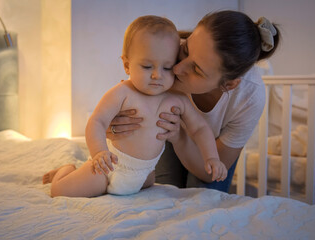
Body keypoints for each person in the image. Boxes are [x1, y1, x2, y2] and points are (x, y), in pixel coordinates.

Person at [42, 15, 227, 197]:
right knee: (59, 191)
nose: (157, 75)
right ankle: (66, 169)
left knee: (150, 183)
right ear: (127, 65)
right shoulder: (122, 93)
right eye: (147, 67)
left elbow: (200, 128)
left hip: (144, 174)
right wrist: (99, 153)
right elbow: (97, 121)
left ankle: (111, 177)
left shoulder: (177, 99)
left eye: (167, 68)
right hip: (110, 168)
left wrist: (212, 157)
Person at [107, 10, 281, 192]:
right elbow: (120, 104)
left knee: (204, 195)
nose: (177, 68)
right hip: (164, 132)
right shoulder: (166, 55)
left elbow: (211, 172)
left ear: (228, 84)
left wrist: (179, 138)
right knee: (163, 191)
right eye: (186, 50)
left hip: (210, 147)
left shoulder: (249, 97)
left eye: (197, 70)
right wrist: (112, 126)